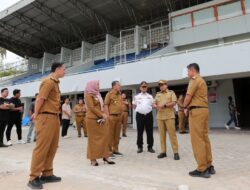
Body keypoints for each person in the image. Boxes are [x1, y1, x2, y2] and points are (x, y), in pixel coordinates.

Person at [28, 62, 65, 189]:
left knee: (52, 147)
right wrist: (36, 114)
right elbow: (40, 99)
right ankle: (33, 177)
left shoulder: (55, 83)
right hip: (46, 117)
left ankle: (47, 173)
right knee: (42, 147)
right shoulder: (48, 82)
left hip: (54, 117)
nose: (65, 71)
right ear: (57, 69)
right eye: (63, 69)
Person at [183, 63, 215, 178]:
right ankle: (209, 165)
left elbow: (188, 97)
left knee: (197, 140)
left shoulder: (194, 80)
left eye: (188, 71)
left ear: (192, 70)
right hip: (204, 110)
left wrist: (184, 107)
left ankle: (202, 168)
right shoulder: (202, 80)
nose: (187, 73)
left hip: (196, 112)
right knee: (205, 138)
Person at [85, 80, 115, 166]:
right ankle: (93, 159)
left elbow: (102, 106)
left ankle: (106, 156)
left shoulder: (98, 94)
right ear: (92, 85)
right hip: (92, 120)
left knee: (105, 138)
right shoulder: (88, 95)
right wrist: (102, 115)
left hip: (101, 119)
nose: (99, 86)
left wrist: (105, 115)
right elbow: (91, 107)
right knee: (93, 140)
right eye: (97, 84)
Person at [153, 80, 180, 160]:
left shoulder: (171, 93)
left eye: (162, 85)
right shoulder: (158, 94)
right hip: (160, 117)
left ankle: (175, 152)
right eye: (160, 85)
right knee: (162, 135)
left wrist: (164, 105)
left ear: (166, 85)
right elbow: (154, 103)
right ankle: (163, 152)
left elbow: (174, 102)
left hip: (169, 116)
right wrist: (155, 106)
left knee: (172, 135)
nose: (161, 86)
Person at [133, 81, 155, 154]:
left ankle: (150, 147)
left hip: (149, 115)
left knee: (150, 132)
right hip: (139, 116)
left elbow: (153, 105)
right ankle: (140, 147)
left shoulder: (150, 96)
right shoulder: (136, 96)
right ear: (140, 88)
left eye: (145, 86)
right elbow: (134, 106)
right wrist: (140, 109)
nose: (144, 87)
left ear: (147, 87)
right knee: (140, 131)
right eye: (143, 86)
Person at [104, 81, 123, 157]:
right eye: (118, 85)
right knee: (110, 134)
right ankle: (109, 151)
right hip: (112, 116)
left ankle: (116, 150)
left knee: (117, 135)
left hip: (119, 117)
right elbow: (105, 105)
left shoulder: (119, 95)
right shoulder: (109, 94)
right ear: (114, 86)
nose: (119, 86)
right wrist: (108, 116)